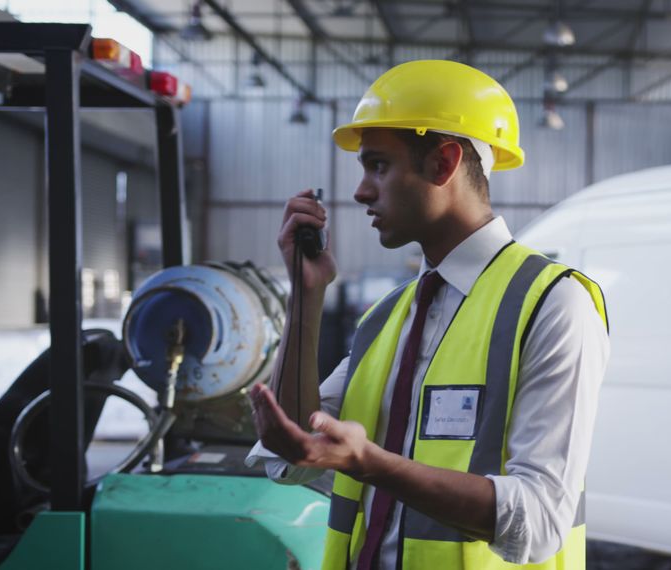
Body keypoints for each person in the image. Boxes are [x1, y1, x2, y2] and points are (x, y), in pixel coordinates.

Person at [246, 60, 609, 570]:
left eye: (378, 166)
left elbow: (541, 521)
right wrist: (306, 297)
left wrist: (369, 463)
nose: (360, 191)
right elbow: (294, 452)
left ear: (443, 164)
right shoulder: (385, 319)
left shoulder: (552, 304)